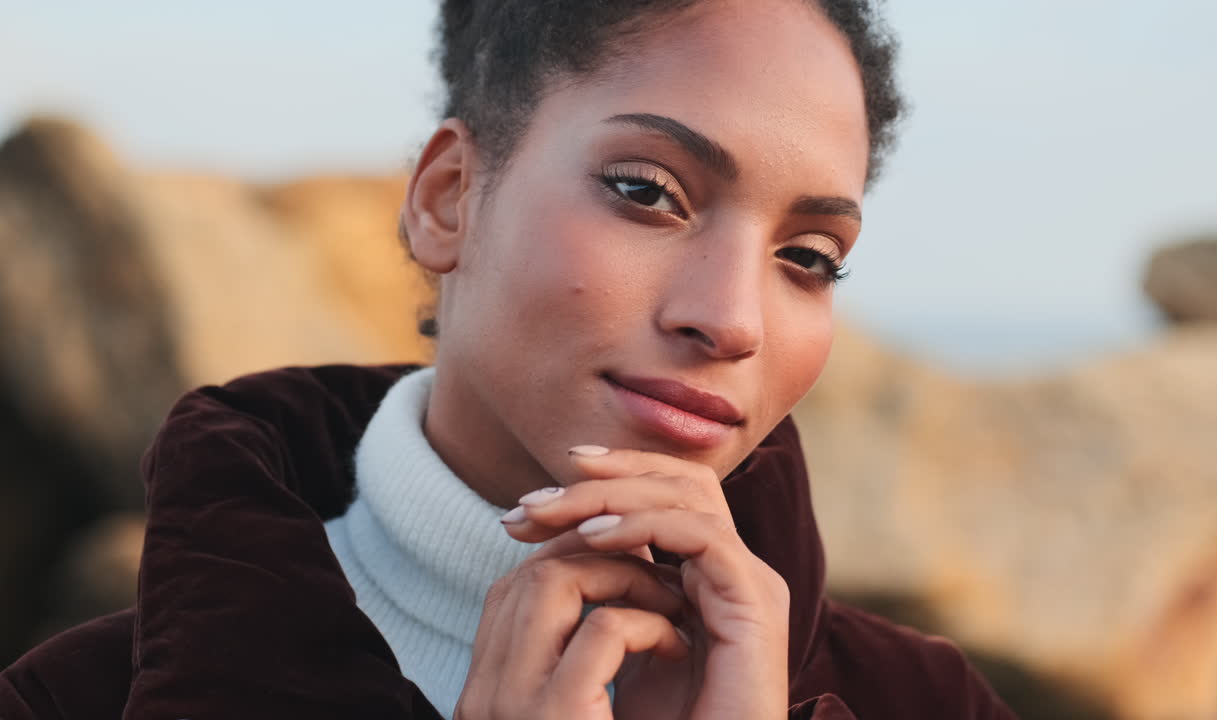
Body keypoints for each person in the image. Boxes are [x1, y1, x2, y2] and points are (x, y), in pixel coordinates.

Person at [1, 0, 1018, 718]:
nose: (732, 319)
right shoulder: (73, 701)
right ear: (448, 198)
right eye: (645, 191)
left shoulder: (922, 699)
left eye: (806, 257)